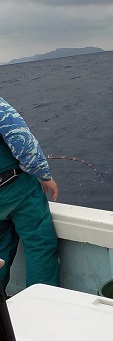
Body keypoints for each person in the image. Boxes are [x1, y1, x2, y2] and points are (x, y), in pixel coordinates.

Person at [0, 97, 60, 291]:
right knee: (39, 246)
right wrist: (44, 174)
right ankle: (41, 305)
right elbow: (21, 139)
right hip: (16, 190)